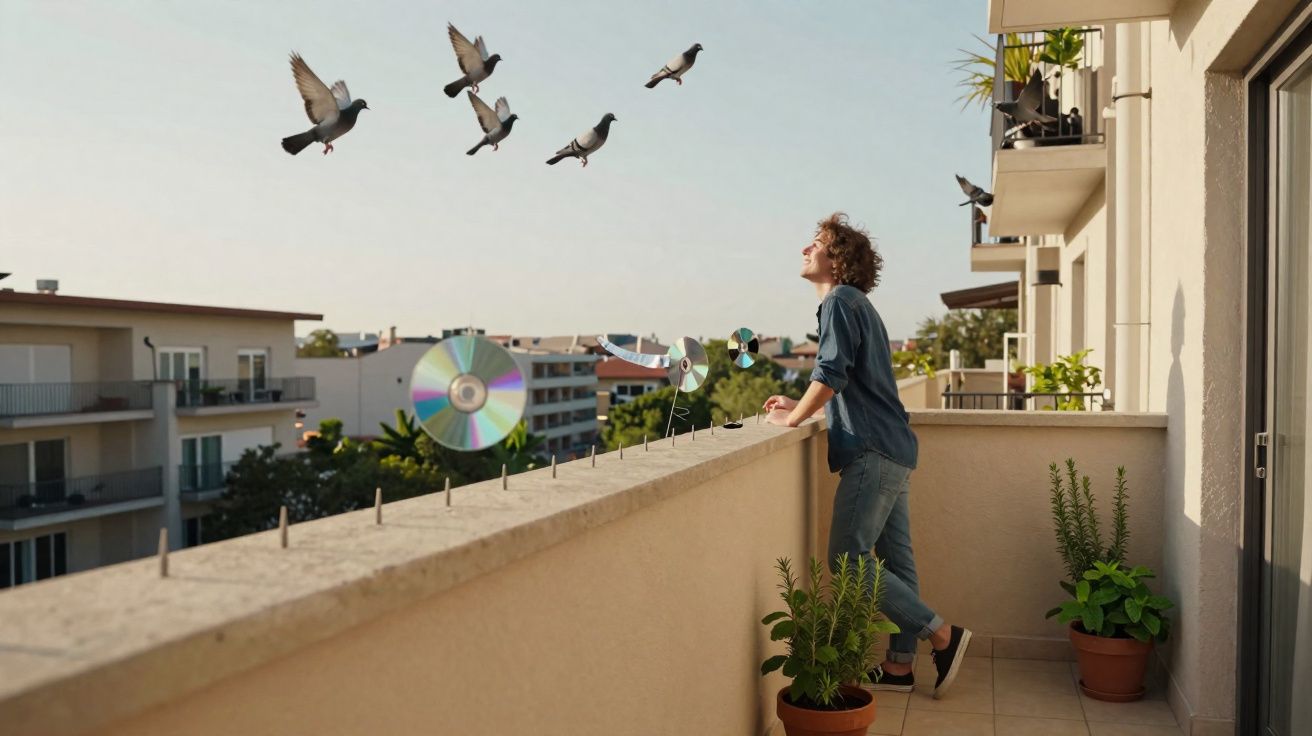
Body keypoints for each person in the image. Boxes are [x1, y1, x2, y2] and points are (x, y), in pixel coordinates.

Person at [763, 212, 971, 699]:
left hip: (873, 450)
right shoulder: (860, 304)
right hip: (895, 447)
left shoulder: (838, 301)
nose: (804, 250)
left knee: (847, 558)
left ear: (835, 259)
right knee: (897, 563)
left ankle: (942, 634)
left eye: (814, 243)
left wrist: (792, 421)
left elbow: (832, 373)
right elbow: (854, 384)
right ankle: (899, 667)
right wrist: (802, 404)